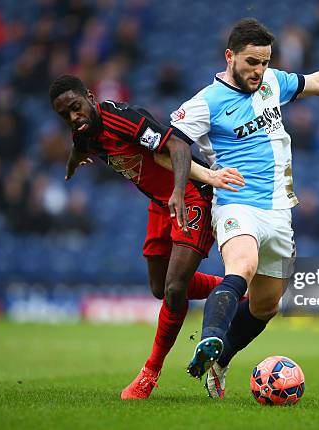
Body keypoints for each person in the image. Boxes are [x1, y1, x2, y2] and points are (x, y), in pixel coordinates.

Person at [170, 18, 319, 398]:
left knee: (265, 305)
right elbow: (168, 146)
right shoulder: (205, 102)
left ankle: (220, 357)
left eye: (264, 62)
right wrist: (207, 177)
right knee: (240, 267)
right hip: (238, 204)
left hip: (279, 212)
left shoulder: (273, 82)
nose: (259, 71)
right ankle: (208, 339)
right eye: (251, 63)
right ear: (230, 57)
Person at [49, 75, 245, 399]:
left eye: (75, 107)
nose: (73, 117)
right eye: (65, 115)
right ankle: (234, 293)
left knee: (174, 287)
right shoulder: (84, 132)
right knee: (160, 288)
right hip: (160, 203)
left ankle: (149, 374)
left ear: (89, 96)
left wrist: (179, 192)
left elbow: (178, 146)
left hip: (192, 195)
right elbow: (78, 145)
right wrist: (71, 165)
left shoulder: (123, 119)